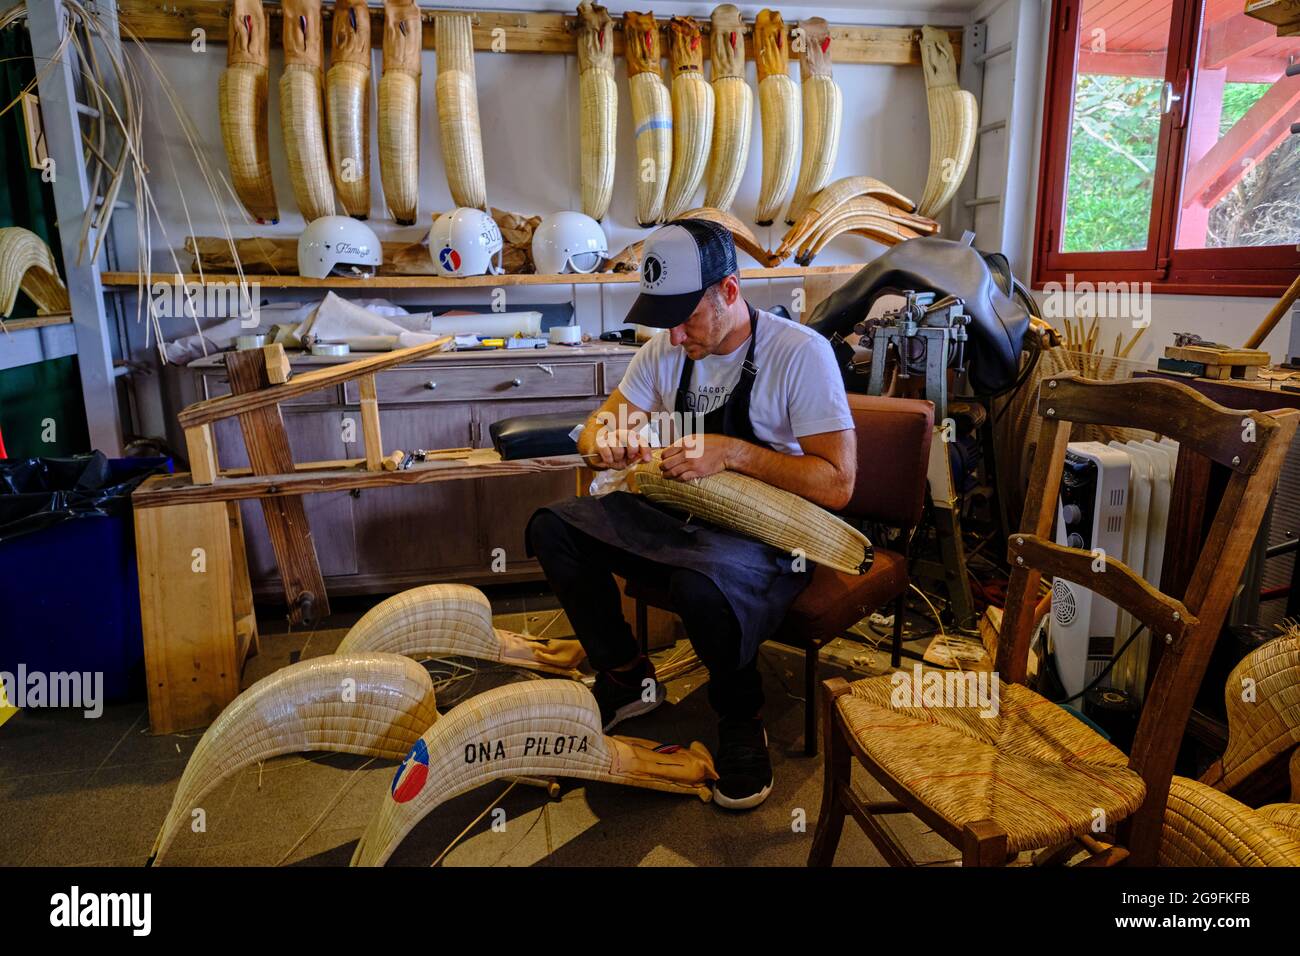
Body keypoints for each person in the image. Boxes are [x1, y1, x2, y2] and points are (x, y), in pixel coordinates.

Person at [526, 219, 855, 809]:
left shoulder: (800, 354)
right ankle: (627, 676)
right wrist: (606, 441)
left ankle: (739, 716)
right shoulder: (665, 350)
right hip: (682, 516)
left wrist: (731, 452)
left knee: (697, 585)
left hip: (772, 538)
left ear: (729, 291)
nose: (674, 336)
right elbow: (598, 427)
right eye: (663, 318)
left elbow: (837, 484)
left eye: (686, 316)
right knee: (554, 528)